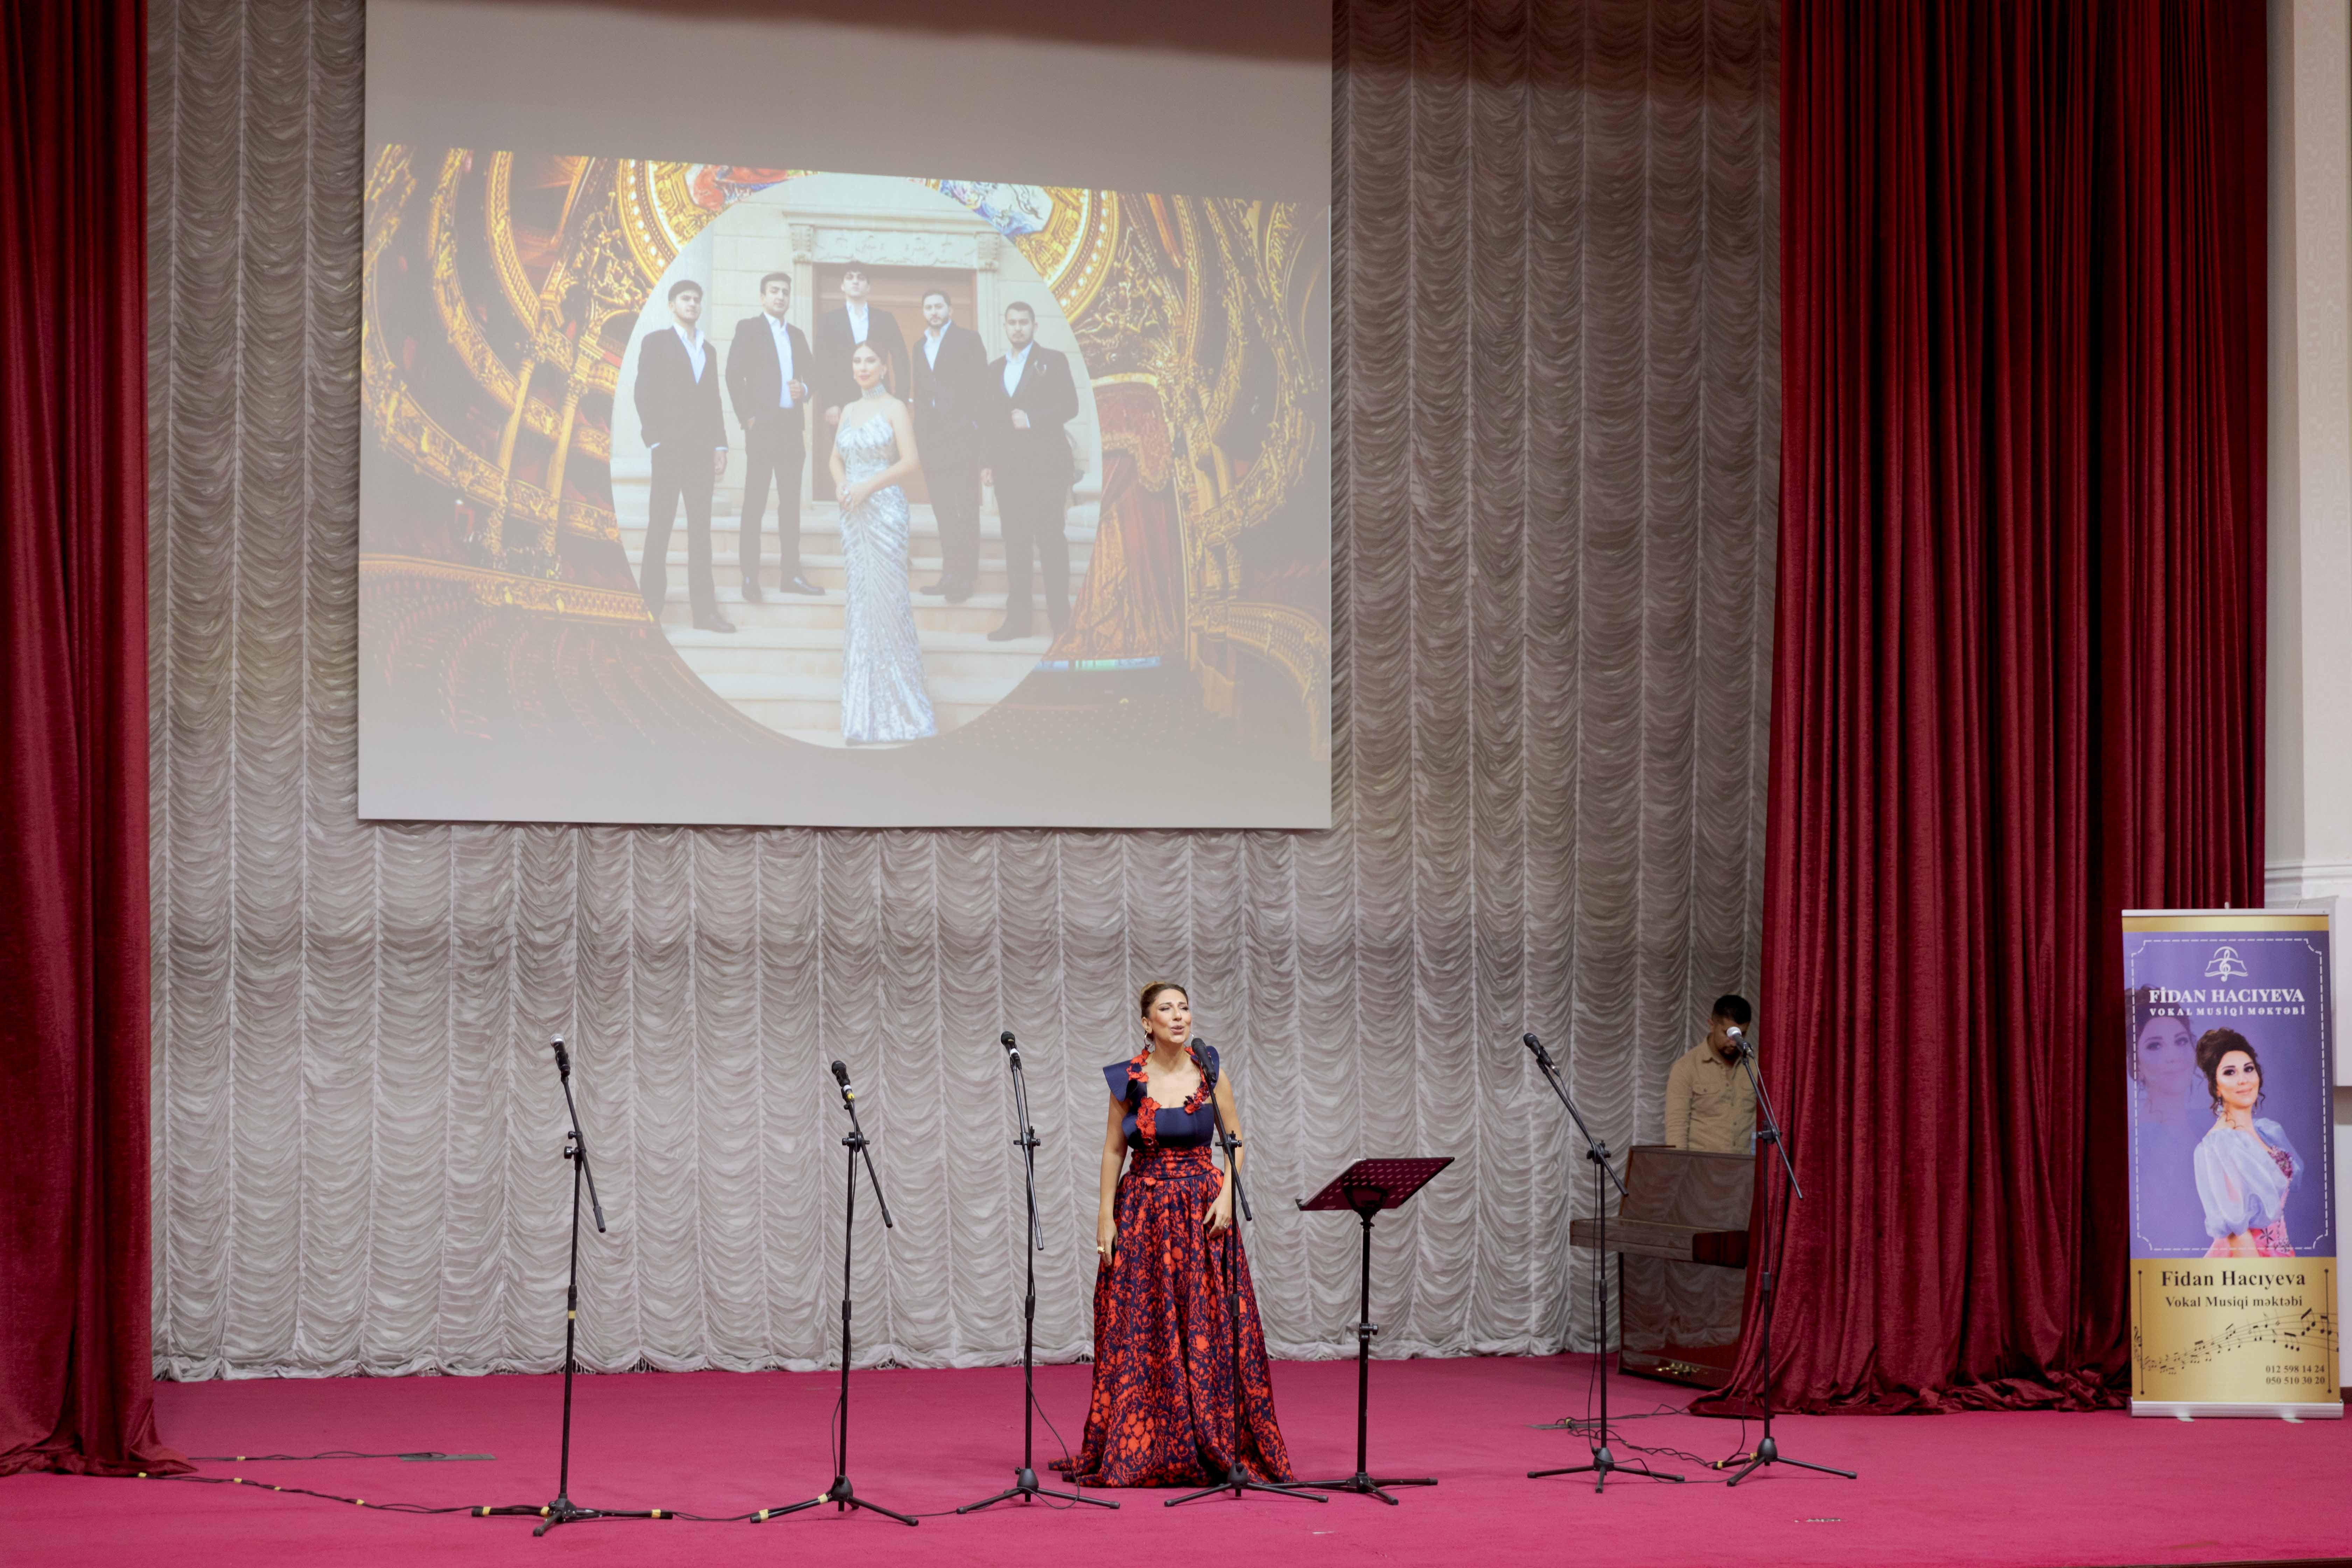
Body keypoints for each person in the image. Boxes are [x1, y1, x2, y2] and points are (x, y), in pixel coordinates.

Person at [1052, 982, 1294, 1488]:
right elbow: (1113, 1150)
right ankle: (1151, 1442)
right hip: (1143, 1212)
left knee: (1207, 1323)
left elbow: (1235, 1141)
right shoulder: (1128, 1079)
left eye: (1184, 1008)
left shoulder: (1210, 1071)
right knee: (1144, 1327)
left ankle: (1212, 1436)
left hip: (1203, 1211)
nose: (1179, 1016)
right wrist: (1104, 1216)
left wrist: (1228, 1195)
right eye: (1167, 1009)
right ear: (1148, 1022)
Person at [829, 340, 935, 744]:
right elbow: (834, 458)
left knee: (889, 603)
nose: (863, 367)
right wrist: (842, 484)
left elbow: (911, 462)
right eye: (857, 360)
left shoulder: (895, 408)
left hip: (885, 511)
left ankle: (904, 712)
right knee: (861, 604)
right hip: (852, 514)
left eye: (870, 360)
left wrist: (867, 487)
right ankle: (862, 714)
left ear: (884, 368)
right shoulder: (848, 410)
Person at [634, 278, 732, 633]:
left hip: (701, 454)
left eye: (696, 300)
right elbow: (643, 393)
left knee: (700, 533)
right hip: (668, 451)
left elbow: (714, 401)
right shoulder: (656, 342)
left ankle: (704, 613)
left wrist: (720, 445)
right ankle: (649, 611)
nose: (692, 304)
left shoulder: (709, 350)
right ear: (672, 305)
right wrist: (655, 441)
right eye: (685, 299)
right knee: (659, 529)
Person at [982, 300, 1080, 641]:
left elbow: (1071, 405)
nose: (1018, 328)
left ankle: (1061, 621)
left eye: (1024, 322)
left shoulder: (1053, 361)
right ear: (1005, 327)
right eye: (1012, 323)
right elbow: (990, 420)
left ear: (1034, 326)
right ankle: (1018, 621)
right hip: (1009, 471)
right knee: (1016, 544)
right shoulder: (995, 369)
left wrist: (1033, 419)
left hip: (1047, 468)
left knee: (1051, 541)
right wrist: (987, 462)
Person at [724, 271, 822, 601]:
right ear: (763, 297)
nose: (780, 297)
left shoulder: (796, 334)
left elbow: (813, 374)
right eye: (774, 291)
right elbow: (733, 375)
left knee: (790, 505)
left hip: (791, 430)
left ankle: (791, 574)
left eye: (785, 292)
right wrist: (748, 417)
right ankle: (749, 576)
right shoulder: (749, 329)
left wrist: (804, 389)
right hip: (762, 429)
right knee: (755, 503)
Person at [907, 288, 989, 603]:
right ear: (923, 312)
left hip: (961, 438)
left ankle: (966, 578)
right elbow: (921, 392)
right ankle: (949, 574)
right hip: (931, 441)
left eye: (939, 306)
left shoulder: (968, 340)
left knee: (964, 509)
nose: (934, 312)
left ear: (950, 310)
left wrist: (971, 426)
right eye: (928, 307)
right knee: (943, 511)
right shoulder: (919, 347)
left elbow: (981, 388)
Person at [2191, 1029, 2301, 1259]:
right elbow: (2238, 1234)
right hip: (2250, 1261)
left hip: (2281, 1254)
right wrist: (2258, 1275)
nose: (2243, 1080)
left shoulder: (2265, 1131)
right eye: (2230, 1072)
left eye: (2249, 1069)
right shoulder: (2221, 1144)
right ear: (2216, 1086)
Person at [2128, 990, 2209, 1252]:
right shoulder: (2137, 1145)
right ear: (2135, 1066)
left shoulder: (2211, 1125)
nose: (2173, 1056)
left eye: (2181, 1041)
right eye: (2155, 1045)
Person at [814, 261, 909, 443]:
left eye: (861, 278)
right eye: (850, 278)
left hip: (881, 400)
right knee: (846, 453)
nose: (856, 281)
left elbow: (901, 360)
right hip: (842, 403)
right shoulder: (829, 321)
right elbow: (822, 363)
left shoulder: (885, 319)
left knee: (882, 452)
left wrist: (901, 401)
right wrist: (829, 403)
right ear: (843, 286)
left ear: (868, 287)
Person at [1662, 994, 1756, 1153]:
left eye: (1741, 1036)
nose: (1734, 1043)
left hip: (1743, 1165)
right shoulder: (1686, 1067)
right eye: (1728, 1034)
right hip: (1700, 1165)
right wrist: (1679, 1166)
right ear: (1712, 1026)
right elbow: (1676, 1128)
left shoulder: (1755, 1065)